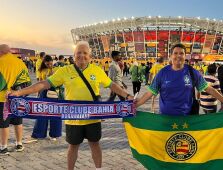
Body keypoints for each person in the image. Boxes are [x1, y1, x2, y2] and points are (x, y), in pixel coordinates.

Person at [7, 41, 134, 169]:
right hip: (73, 119)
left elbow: (111, 85)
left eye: (85, 53)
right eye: (78, 53)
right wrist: (19, 92)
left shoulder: (97, 70)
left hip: (93, 118)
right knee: (73, 147)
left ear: (90, 56)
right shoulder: (65, 71)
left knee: (95, 144)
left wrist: (127, 95)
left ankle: (98, 168)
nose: (82, 55)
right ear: (74, 56)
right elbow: (44, 84)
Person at [136, 44, 223, 115]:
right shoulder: (162, 73)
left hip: (186, 119)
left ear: (185, 56)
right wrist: (136, 105)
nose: (178, 56)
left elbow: (209, 89)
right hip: (165, 118)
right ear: (171, 56)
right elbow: (150, 92)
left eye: (181, 53)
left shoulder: (192, 72)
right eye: (175, 53)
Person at [0, 44, 31, 155]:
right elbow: (27, 81)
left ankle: (3, 147)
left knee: (4, 124)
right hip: (17, 97)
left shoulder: (0, 62)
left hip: (2, 99)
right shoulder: (20, 62)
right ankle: (19, 144)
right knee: (18, 122)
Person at [29, 55, 62, 141]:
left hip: (55, 92)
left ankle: (54, 134)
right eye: (47, 64)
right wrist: (38, 94)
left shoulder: (57, 69)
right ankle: (39, 134)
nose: (49, 65)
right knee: (42, 114)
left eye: (50, 64)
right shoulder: (41, 70)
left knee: (55, 113)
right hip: (44, 92)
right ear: (44, 63)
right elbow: (39, 82)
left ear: (52, 62)